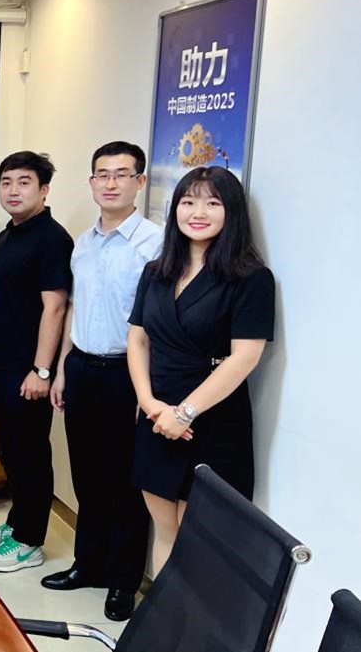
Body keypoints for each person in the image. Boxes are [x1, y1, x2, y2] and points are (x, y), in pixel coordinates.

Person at [128, 166, 274, 575]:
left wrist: (185, 413)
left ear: (232, 212)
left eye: (213, 203)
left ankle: (192, 619)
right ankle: (164, 616)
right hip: (156, 416)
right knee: (165, 531)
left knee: (201, 544)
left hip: (213, 419)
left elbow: (244, 357)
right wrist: (149, 403)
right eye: (188, 201)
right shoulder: (156, 272)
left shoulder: (251, 278)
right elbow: (138, 340)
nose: (198, 212)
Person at [43, 142, 161, 621]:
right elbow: (75, 309)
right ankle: (87, 564)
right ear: (91, 182)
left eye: (121, 174)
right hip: (83, 370)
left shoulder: (155, 245)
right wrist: (62, 368)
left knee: (126, 482)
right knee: (87, 475)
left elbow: (158, 325)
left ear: (140, 182)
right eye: (102, 175)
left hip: (128, 377)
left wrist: (147, 391)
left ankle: (123, 581)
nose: (110, 183)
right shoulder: (83, 243)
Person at [0, 150, 73, 573]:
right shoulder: (8, 234)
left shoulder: (52, 239)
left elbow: (56, 308)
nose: (13, 190)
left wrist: (42, 370)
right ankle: (17, 524)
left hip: (31, 369)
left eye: (24, 182)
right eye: (6, 182)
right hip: (6, 361)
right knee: (13, 449)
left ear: (44, 189)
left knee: (31, 452)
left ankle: (30, 541)